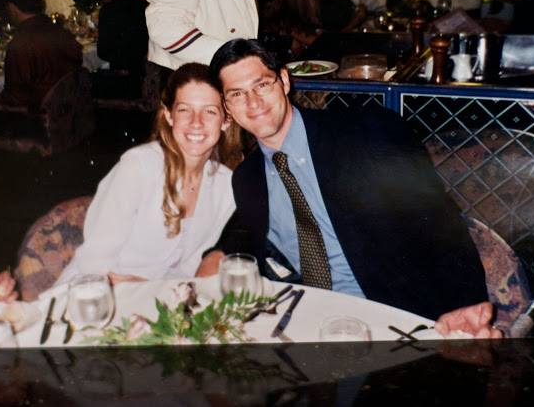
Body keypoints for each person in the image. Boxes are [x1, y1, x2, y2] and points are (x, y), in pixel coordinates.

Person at [198, 39, 501, 338]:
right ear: (227, 107)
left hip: (394, 323)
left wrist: (465, 311)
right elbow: (247, 227)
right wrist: (218, 253)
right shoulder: (247, 179)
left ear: (285, 82)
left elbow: (442, 228)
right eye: (237, 94)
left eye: (262, 85)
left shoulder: (367, 134)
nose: (253, 102)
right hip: (307, 327)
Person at [0, 63, 243, 308]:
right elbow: (94, 263)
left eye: (209, 112)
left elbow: (190, 269)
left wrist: (150, 289)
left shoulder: (225, 187)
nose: (196, 123)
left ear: (226, 120)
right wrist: (140, 289)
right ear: (169, 116)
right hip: (94, 299)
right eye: (185, 110)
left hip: (160, 305)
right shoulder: (140, 167)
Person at [0, 0, 82, 108]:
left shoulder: (20, 45)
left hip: (41, 115)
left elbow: (16, 99)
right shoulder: (62, 33)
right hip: (72, 110)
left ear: (12, 8)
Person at [93, 0, 149, 98]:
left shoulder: (109, 10)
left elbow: (104, 52)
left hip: (124, 83)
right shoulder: (142, 4)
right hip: (147, 78)